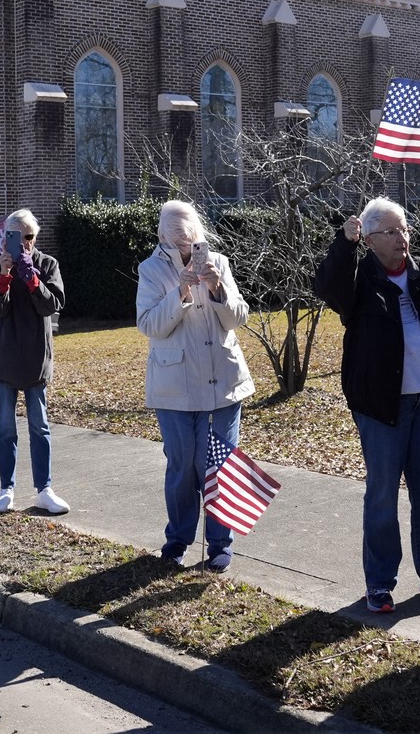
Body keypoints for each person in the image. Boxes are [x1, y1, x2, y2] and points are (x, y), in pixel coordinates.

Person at [314, 196, 420, 613]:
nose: (402, 239)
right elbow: (328, 288)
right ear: (371, 239)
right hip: (379, 405)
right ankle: (380, 582)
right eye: (391, 232)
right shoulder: (359, 277)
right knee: (381, 496)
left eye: (405, 229)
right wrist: (344, 244)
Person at [136, 200, 255, 571]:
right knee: (182, 465)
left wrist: (218, 289)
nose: (188, 251)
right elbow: (149, 325)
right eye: (179, 244)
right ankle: (178, 539)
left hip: (223, 381)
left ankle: (220, 543)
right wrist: (181, 294)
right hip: (175, 384)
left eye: (192, 242)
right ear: (162, 239)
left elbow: (238, 318)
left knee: (220, 463)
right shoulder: (151, 269)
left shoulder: (217, 262)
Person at [0, 209, 69, 514]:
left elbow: (52, 306)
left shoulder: (47, 264)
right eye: (17, 237)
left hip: (35, 358)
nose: (24, 244)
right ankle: (7, 489)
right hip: (4, 357)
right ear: (5, 237)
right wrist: (4, 277)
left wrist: (32, 278)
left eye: (29, 237)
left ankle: (44, 488)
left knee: (39, 426)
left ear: (35, 237)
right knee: (5, 426)